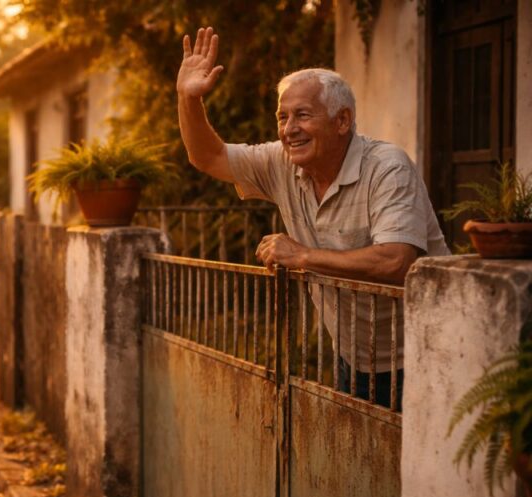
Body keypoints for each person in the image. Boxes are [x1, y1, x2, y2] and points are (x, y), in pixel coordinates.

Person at [176, 27, 450, 408]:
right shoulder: (281, 161)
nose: (289, 130)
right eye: (282, 117)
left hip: (427, 354)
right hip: (353, 357)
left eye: (302, 115)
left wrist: (301, 255)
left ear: (342, 121)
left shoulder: (388, 167)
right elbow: (207, 157)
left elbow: (396, 260)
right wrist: (188, 99)